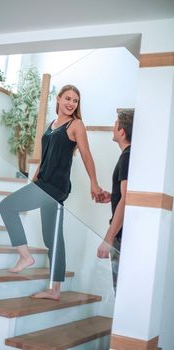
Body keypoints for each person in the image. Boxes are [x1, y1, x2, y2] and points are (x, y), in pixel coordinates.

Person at [0, 84, 103, 300]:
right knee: (52, 237)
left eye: (75, 100)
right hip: (43, 182)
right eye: (67, 98)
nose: (71, 103)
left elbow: (86, 155)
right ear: (58, 99)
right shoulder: (52, 124)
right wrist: (34, 179)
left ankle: (25, 257)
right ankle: (54, 289)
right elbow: (45, 158)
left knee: (6, 206)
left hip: (55, 186)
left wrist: (94, 183)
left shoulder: (76, 125)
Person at [97, 108, 134, 291]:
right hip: (125, 234)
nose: (113, 127)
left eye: (115, 124)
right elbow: (128, 196)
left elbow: (126, 200)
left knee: (120, 291)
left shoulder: (127, 157)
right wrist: (113, 196)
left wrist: (108, 238)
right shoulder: (130, 155)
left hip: (121, 236)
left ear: (122, 131)